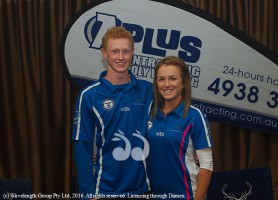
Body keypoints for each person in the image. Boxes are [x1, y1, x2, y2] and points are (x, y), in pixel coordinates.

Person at [72, 26, 153, 199]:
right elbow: (82, 146)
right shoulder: (89, 95)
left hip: (143, 189)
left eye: (126, 51)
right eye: (115, 51)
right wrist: (88, 194)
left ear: (132, 52)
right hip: (104, 191)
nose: (121, 57)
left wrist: (191, 147)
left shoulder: (148, 91)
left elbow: (172, 121)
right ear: (104, 53)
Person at [147, 56, 213, 200]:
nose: (166, 84)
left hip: (187, 195)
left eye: (173, 78)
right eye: (161, 79)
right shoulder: (150, 114)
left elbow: (207, 164)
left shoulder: (195, 116)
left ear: (184, 83)